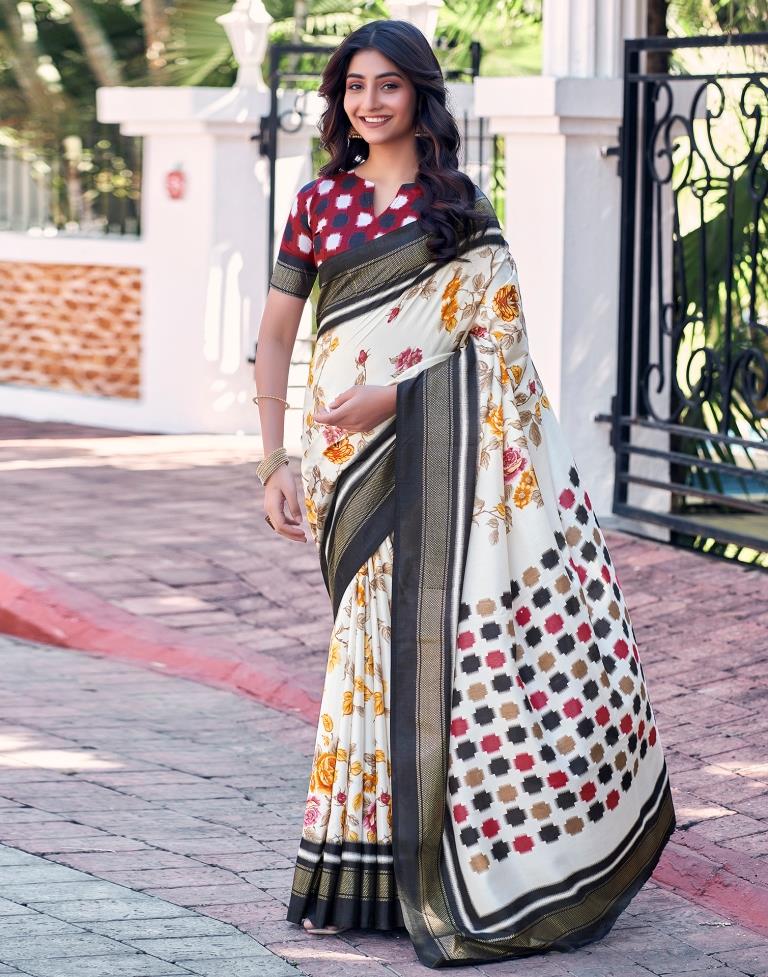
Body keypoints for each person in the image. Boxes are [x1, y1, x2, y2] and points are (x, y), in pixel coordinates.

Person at [252, 19, 675, 971]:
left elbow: (505, 358)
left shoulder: (461, 211)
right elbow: (276, 338)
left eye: (388, 85)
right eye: (354, 86)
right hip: (342, 467)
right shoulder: (319, 205)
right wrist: (271, 458)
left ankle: (467, 863)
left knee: (441, 647)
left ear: (420, 97)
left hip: (438, 457)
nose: (369, 101)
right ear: (340, 100)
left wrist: (399, 398)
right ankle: (362, 869)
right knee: (367, 648)